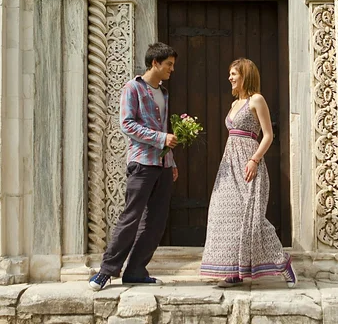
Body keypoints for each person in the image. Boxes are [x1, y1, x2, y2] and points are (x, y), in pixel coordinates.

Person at [89, 42, 180, 291]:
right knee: (131, 218)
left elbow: (163, 130)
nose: (172, 69)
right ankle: (106, 271)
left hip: (162, 164)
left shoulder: (164, 93)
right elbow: (127, 124)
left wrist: (170, 161)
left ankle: (136, 270)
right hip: (141, 163)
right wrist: (162, 139)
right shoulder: (133, 88)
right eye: (169, 65)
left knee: (156, 222)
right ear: (155, 63)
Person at [200, 57, 296, 288]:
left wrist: (254, 160)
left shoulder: (257, 100)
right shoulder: (235, 104)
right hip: (229, 165)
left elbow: (268, 135)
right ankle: (235, 271)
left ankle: (283, 263)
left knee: (252, 219)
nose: (230, 78)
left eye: (234, 73)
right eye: (230, 74)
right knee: (224, 215)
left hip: (248, 164)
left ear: (245, 75)